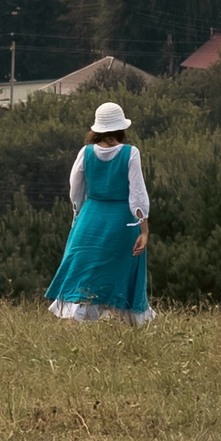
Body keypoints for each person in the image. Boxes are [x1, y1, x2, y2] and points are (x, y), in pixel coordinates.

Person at [42, 102, 154, 325]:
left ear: (97, 128)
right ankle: (128, 325)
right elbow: (138, 193)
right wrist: (144, 230)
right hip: (122, 221)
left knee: (84, 271)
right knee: (121, 271)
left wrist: (80, 215)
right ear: (121, 127)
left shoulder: (86, 152)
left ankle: (78, 323)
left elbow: (76, 188)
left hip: (90, 218)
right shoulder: (131, 153)